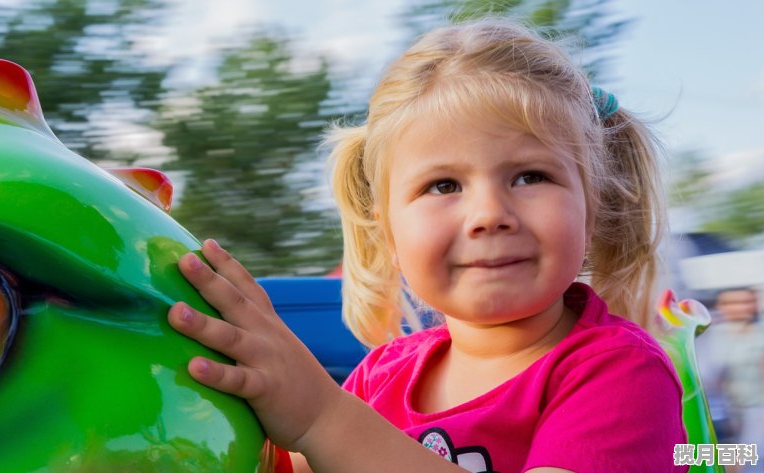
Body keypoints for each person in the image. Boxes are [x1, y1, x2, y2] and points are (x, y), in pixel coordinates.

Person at [167, 19, 687, 473]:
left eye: (530, 176)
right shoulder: (378, 377)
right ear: (388, 233)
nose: (489, 215)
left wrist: (322, 417)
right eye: (443, 186)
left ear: (591, 208)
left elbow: (326, 431)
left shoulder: (620, 373)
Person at [700, 287, 763, 473]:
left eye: (745, 302)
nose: (739, 308)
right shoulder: (710, 337)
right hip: (722, 414)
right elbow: (706, 377)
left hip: (756, 412)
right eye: (731, 303)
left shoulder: (759, 335)